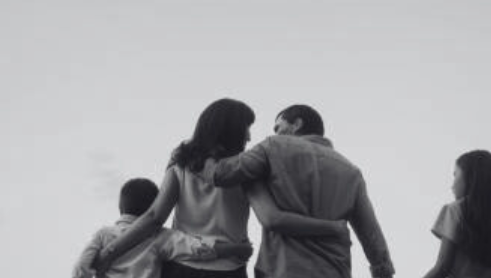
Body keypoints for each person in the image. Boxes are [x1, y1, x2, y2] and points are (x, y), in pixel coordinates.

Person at [94, 99, 346, 278]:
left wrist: (108, 253)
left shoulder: (181, 162)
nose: (249, 136)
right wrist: (332, 227)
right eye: (246, 127)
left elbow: (153, 217)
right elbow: (271, 218)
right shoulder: (247, 170)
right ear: (232, 129)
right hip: (229, 270)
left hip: (181, 267)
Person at [204, 104, 396, 278]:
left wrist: (201, 153)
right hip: (335, 270)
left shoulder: (273, 146)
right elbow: (371, 234)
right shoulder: (351, 172)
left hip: (282, 270)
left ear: (296, 124)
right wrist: (382, 269)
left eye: (278, 127)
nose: (276, 133)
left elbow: (220, 174)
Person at [71, 177, 253, 278]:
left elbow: (80, 267)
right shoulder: (158, 236)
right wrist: (237, 249)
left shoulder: (103, 234)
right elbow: (196, 248)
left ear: (121, 207)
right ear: (156, 207)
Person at [421, 150, 491, 278]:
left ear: (471, 178)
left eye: (456, 175)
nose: (452, 185)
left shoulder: (456, 211)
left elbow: (442, 267)